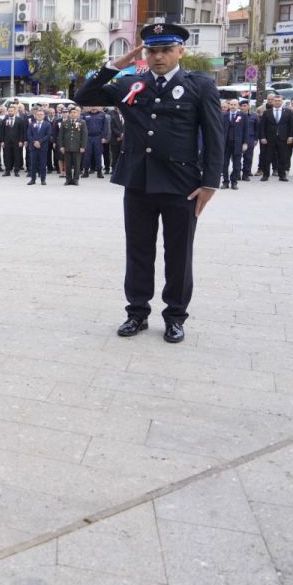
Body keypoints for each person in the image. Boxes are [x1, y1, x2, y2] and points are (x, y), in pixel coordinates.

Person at [74, 23, 223, 344]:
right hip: (138, 182)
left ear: (181, 51)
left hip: (182, 185)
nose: (158, 57)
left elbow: (215, 137)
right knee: (138, 250)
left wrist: (210, 183)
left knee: (178, 253)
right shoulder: (131, 83)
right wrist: (116, 65)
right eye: (152, 50)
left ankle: (175, 316)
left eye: (166, 50)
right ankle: (137, 312)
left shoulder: (199, 86)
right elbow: (83, 96)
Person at [259, 93, 293, 181]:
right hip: (269, 139)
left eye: (279, 101)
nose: (277, 102)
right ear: (272, 102)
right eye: (275, 101)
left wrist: (291, 136)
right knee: (267, 157)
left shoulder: (288, 112)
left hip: (283, 139)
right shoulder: (267, 112)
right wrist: (262, 137)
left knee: (283, 157)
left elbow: (291, 126)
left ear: (282, 102)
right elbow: (262, 126)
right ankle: (265, 175)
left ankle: (282, 176)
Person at [57, 106, 87, 186]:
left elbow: (84, 135)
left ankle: (76, 179)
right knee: (68, 164)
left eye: (75, 112)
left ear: (77, 114)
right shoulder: (65, 122)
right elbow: (60, 136)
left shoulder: (82, 122)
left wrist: (83, 146)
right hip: (67, 147)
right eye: (72, 113)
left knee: (77, 165)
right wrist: (61, 146)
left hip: (77, 147)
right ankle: (68, 179)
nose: (73, 114)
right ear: (69, 114)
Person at [221, 98, 245, 189]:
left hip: (237, 144)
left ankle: (234, 182)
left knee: (237, 164)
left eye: (235, 105)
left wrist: (245, 143)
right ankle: (225, 182)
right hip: (226, 144)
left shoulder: (242, 116)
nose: (233, 106)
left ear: (238, 106)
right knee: (224, 164)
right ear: (229, 106)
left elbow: (245, 130)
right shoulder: (224, 116)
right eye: (231, 104)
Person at [26, 107, 52, 186]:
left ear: (44, 116)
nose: (39, 116)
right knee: (33, 164)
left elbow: (48, 135)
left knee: (43, 164)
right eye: (38, 114)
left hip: (43, 147)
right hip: (33, 147)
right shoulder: (32, 124)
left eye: (41, 114)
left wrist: (39, 142)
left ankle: (43, 180)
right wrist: (34, 142)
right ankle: (33, 179)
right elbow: (29, 134)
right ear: (36, 115)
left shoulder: (47, 124)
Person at [82, 106, 108, 179]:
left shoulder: (102, 115)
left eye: (95, 106)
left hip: (98, 137)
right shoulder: (84, 115)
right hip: (87, 137)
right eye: (92, 106)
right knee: (86, 155)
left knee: (98, 155)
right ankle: (86, 171)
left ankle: (99, 172)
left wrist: (104, 137)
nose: (93, 108)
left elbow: (105, 127)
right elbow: (82, 127)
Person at [241, 100, 258, 180]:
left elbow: (257, 128)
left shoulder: (254, 116)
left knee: (248, 158)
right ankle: (237, 174)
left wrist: (256, 139)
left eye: (245, 106)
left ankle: (246, 174)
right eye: (242, 106)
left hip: (250, 138)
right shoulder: (238, 115)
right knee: (237, 157)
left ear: (248, 106)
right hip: (239, 139)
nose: (243, 107)